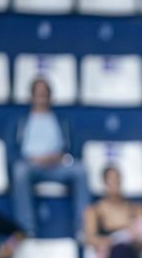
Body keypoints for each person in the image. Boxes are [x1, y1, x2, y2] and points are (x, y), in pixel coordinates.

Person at [10, 77, 90, 237]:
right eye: (38, 93)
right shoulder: (21, 120)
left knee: (80, 170)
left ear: (50, 96)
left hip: (58, 165)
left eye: (45, 93)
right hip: (30, 165)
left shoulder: (61, 120)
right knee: (19, 171)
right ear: (31, 96)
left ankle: (83, 228)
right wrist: (33, 159)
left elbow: (74, 147)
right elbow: (12, 150)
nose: (42, 97)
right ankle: (27, 229)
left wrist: (62, 156)